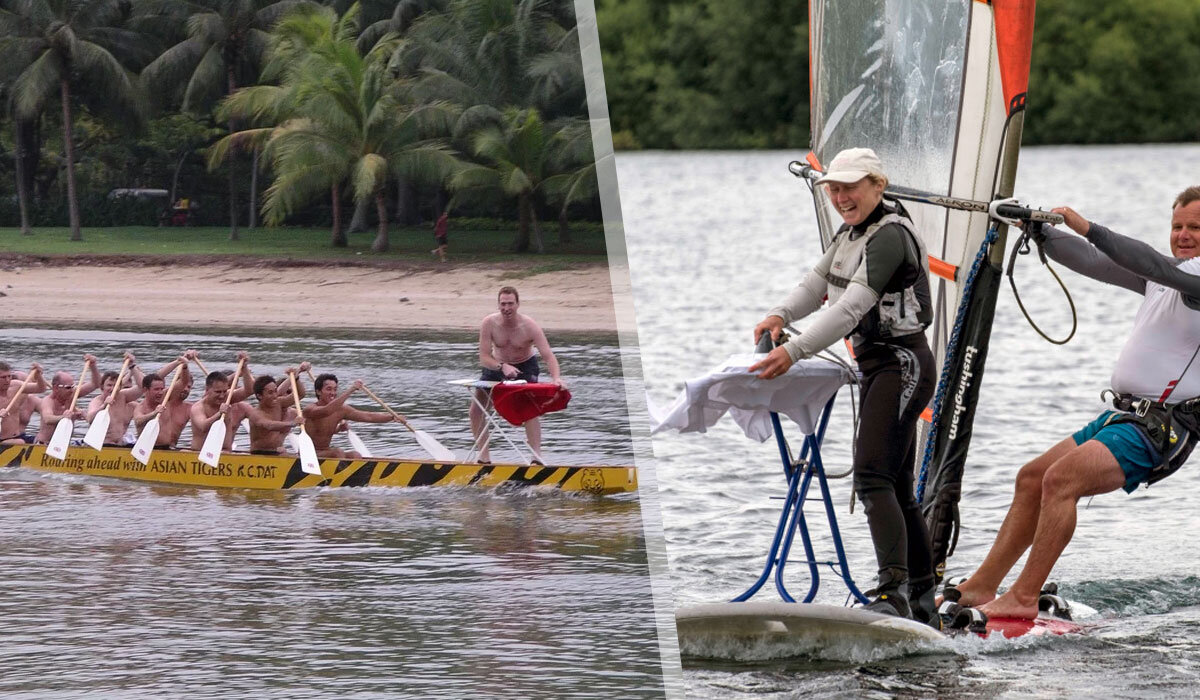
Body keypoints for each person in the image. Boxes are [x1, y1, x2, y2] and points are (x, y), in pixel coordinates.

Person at [945, 187, 1200, 620]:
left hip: (1161, 429)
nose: (1183, 235)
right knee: (1032, 478)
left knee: (1061, 481)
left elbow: (1144, 259)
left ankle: (1023, 597)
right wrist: (1038, 231)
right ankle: (982, 586)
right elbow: (1097, 263)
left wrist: (1087, 226)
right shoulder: (1166, 276)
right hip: (1123, 416)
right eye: (1177, 226)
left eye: (1195, 227)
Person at [747, 147, 938, 623]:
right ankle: (923, 600)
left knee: (872, 477)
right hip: (880, 368)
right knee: (896, 484)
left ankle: (893, 592)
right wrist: (781, 315)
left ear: (878, 184)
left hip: (902, 365)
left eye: (850, 186)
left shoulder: (890, 235)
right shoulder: (853, 231)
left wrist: (793, 350)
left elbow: (851, 308)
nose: (840, 196)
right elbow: (817, 285)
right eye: (833, 187)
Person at [470, 286, 565, 464]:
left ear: (518, 304)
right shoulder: (489, 323)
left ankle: (536, 458)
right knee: (475, 410)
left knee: (529, 410)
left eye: (510, 304)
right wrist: (502, 366)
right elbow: (483, 357)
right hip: (496, 366)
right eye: (503, 304)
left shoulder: (529, 326)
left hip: (525, 367)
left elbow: (548, 355)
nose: (506, 308)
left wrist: (556, 378)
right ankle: (484, 458)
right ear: (498, 305)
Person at [302, 374, 400, 458]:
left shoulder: (341, 409)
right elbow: (327, 411)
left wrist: (392, 417)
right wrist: (351, 389)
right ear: (318, 392)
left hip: (325, 451)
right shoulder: (310, 410)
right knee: (338, 452)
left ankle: (355, 479)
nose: (333, 393)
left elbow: (367, 416)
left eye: (335, 389)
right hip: (308, 454)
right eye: (328, 389)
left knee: (355, 455)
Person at [33, 357, 103, 445]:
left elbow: (95, 384)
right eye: (68, 387)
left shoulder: (72, 394)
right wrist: (64, 417)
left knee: (90, 444)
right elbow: (48, 419)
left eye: (73, 386)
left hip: (64, 445)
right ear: (56, 388)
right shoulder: (48, 401)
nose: (71, 390)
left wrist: (93, 366)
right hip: (45, 444)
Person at [245, 372, 306, 454]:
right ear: (259, 396)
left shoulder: (279, 402)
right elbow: (269, 425)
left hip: (276, 452)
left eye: (275, 391)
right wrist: (292, 423)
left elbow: (300, 394)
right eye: (270, 392)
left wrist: (297, 378)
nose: (275, 396)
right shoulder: (255, 414)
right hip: (259, 453)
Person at [0, 362, 46, 444]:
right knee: (20, 442)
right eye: (3, 377)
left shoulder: (16, 386)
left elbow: (40, 389)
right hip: (3, 441)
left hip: (18, 436)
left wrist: (39, 375)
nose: (7, 380)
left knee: (43, 442)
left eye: (9, 376)